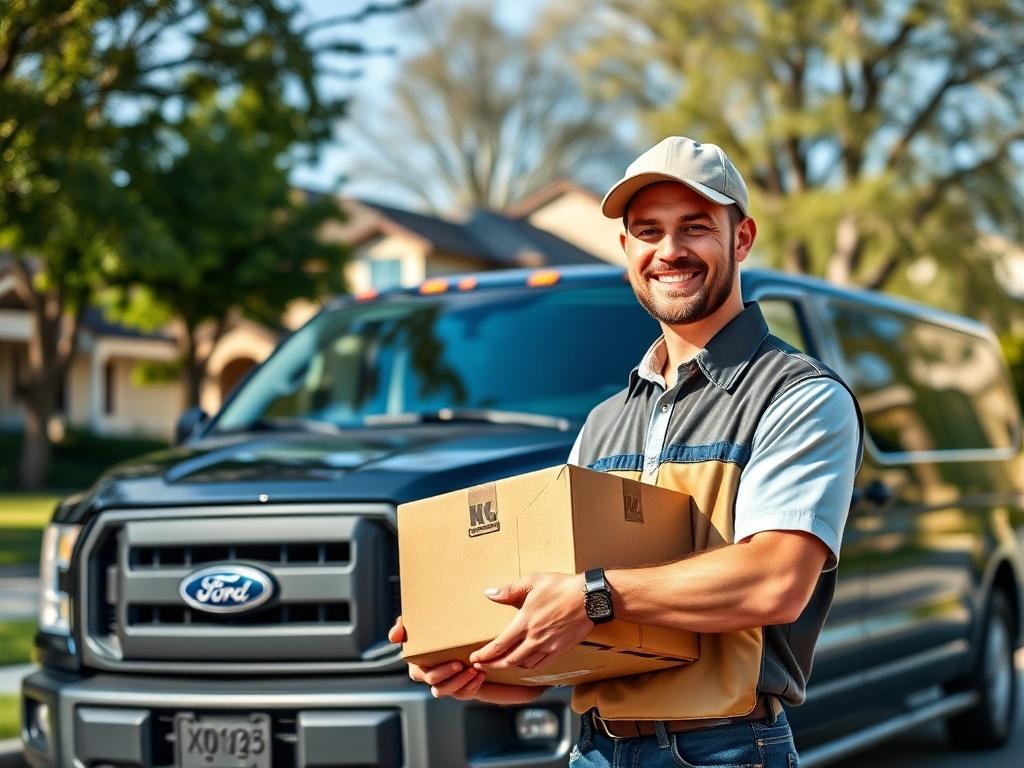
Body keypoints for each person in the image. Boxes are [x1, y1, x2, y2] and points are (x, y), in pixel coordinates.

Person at [388, 136, 863, 767]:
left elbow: (775, 581)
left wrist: (590, 596)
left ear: (741, 238)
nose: (669, 251)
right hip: (596, 752)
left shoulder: (798, 395)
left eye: (694, 228)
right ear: (626, 250)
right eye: (648, 231)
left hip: (725, 751)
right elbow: (592, 637)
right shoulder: (604, 423)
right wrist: (481, 664)